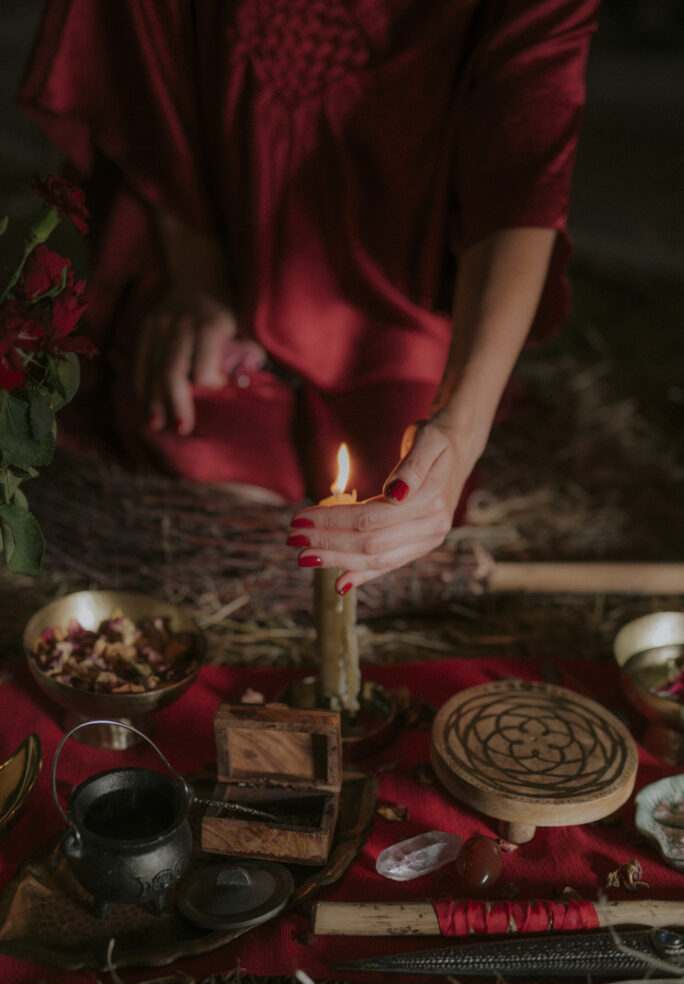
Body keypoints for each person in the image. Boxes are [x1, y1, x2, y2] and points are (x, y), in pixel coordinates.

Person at [19, 0, 600, 592]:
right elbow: (141, 39)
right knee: (203, 449)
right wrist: (195, 275)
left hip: (395, 299)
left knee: (392, 494)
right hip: (220, 246)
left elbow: (523, 167)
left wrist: (458, 430)